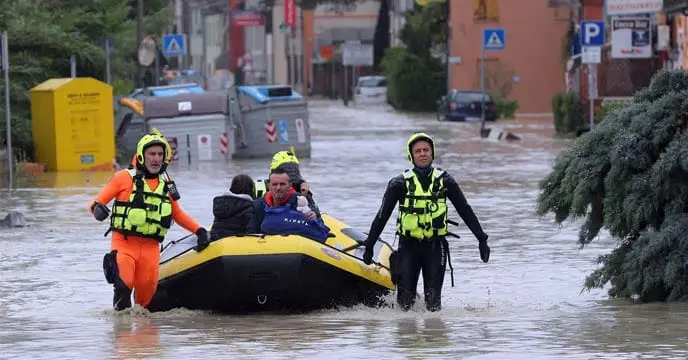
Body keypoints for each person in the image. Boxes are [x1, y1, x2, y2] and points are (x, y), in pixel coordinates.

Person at [362, 132, 490, 312]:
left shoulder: (445, 181)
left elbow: (465, 210)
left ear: (432, 153)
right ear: (411, 155)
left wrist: (481, 239)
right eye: (418, 151)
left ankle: (434, 337)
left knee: (433, 304)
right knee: (405, 303)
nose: (422, 154)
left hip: (435, 248)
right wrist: (370, 244)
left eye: (426, 150)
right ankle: (406, 337)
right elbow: (382, 216)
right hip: (408, 248)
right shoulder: (398, 184)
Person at [88, 130, 210, 311]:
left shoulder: (167, 184)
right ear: (142, 155)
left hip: (151, 248)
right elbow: (96, 203)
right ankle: (121, 332)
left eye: (160, 154)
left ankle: (143, 337)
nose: (156, 159)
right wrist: (98, 210)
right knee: (124, 285)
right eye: (152, 154)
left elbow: (177, 214)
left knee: (145, 298)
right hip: (124, 243)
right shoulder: (122, 178)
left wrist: (199, 230)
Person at [247, 168, 330, 242]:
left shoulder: (300, 201)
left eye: (282, 184)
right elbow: (250, 234)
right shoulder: (257, 205)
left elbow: (318, 224)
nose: (278, 188)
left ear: (290, 185)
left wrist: (314, 215)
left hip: (295, 246)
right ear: (269, 186)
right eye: (275, 184)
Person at [254, 150, 320, 216]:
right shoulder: (259, 186)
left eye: (293, 170)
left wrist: (304, 195)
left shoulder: (301, 187)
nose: (291, 174)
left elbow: (314, 209)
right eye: (287, 170)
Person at [210, 174, 256, 240]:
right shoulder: (249, 207)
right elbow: (251, 231)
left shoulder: (221, 204)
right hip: (236, 244)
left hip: (216, 240)